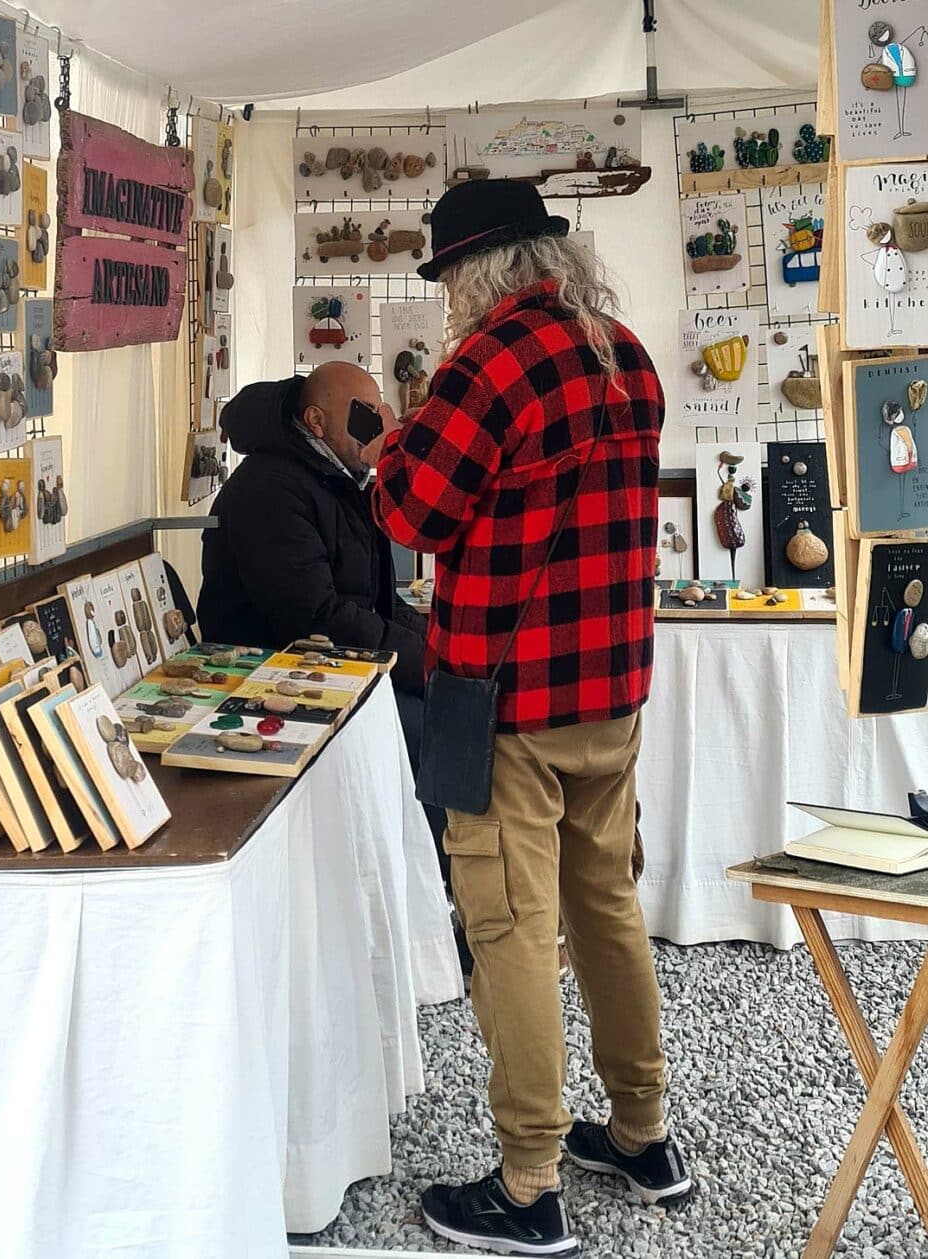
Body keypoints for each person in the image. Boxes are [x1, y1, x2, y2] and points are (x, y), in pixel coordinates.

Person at [368, 179, 691, 1256]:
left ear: (471, 273)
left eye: (450, 280)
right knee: (605, 908)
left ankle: (528, 1179)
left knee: (509, 929)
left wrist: (389, 443)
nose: (450, 302)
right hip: (610, 689)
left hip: (507, 701)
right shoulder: (624, 351)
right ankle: (642, 1132)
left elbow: (411, 512)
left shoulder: (486, 365)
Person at [197, 363, 465, 959]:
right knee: (429, 735)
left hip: (340, 665)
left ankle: (445, 911)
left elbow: (375, 601)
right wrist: (430, 660)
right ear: (316, 420)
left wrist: (445, 643)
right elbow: (314, 615)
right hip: (274, 676)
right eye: (363, 415)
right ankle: (441, 923)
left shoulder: (341, 480)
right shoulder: (272, 488)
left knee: (445, 719)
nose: (378, 428)